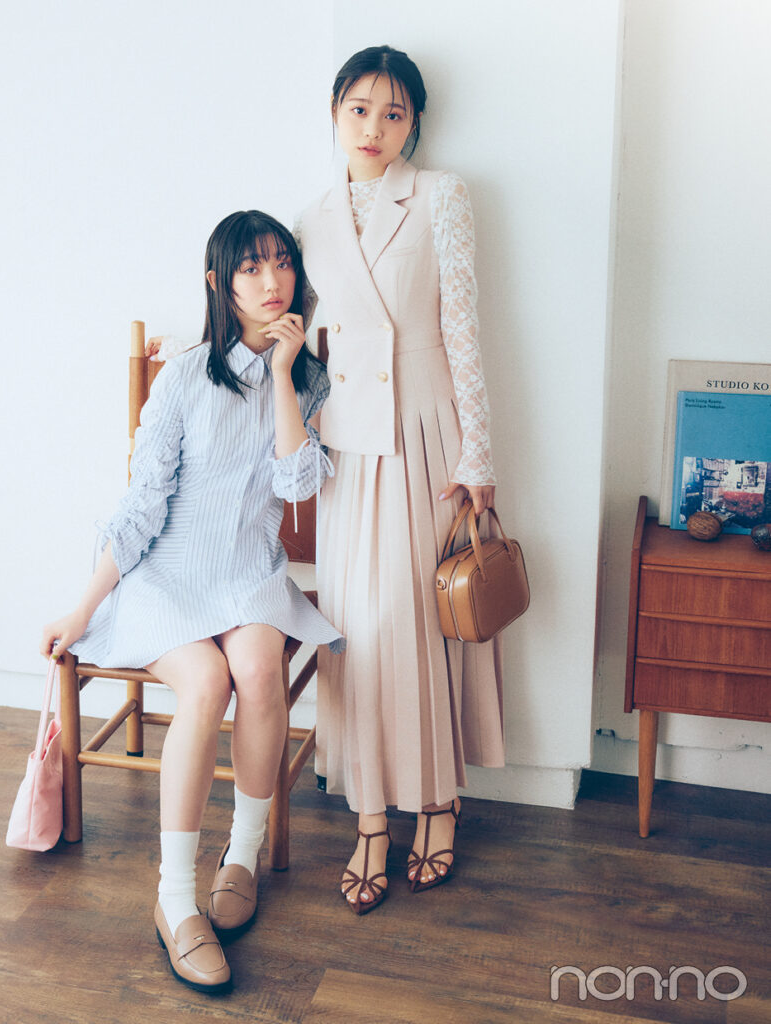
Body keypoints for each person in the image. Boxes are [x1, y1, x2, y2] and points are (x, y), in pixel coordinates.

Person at [40, 210, 342, 992]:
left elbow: (297, 486)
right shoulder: (181, 377)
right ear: (219, 282)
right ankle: (175, 900)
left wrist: (283, 376)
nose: (272, 282)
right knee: (207, 683)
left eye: (282, 263)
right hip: (167, 576)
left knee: (260, 670)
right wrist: (83, 606)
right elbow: (142, 506)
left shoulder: (308, 377)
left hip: (248, 573)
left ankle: (241, 855)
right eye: (251, 268)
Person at [296, 45, 504, 913]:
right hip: (348, 446)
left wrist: (477, 454)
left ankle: (440, 802)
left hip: (424, 434)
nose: (374, 128)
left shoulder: (441, 195)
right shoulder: (310, 220)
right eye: (359, 109)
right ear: (334, 112)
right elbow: (302, 335)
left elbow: (462, 328)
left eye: (394, 113)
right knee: (358, 630)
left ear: (414, 121)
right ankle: (372, 817)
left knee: (422, 621)